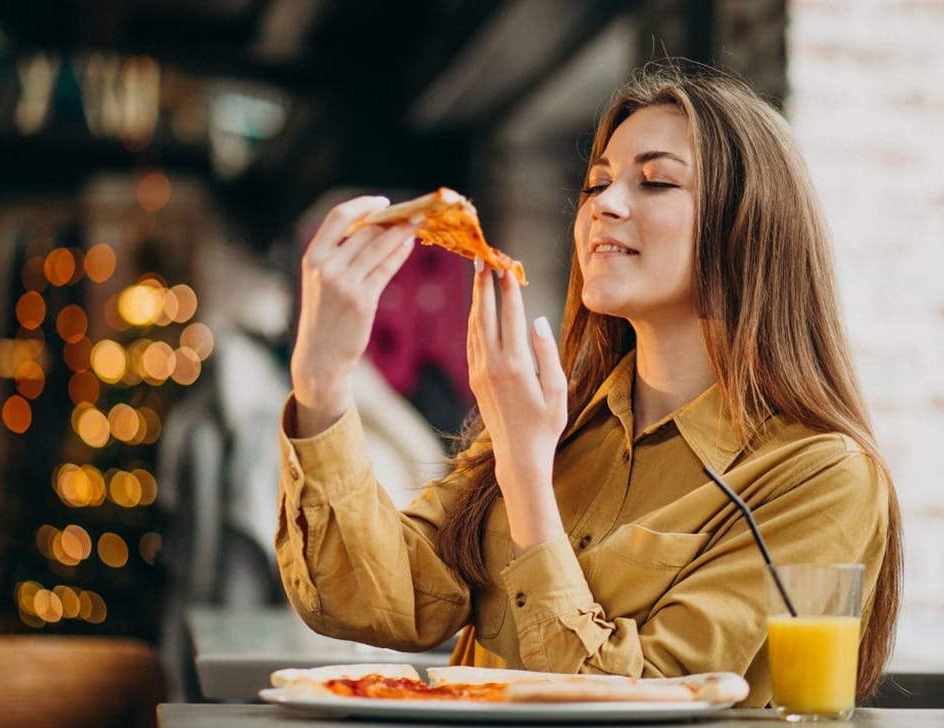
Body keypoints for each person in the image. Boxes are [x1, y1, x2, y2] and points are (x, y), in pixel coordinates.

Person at [275, 63, 902, 707]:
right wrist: (322, 383)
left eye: (655, 181)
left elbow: (649, 703)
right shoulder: (562, 424)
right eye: (596, 182)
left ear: (748, 226)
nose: (603, 202)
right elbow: (370, 601)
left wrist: (524, 471)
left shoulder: (822, 476)